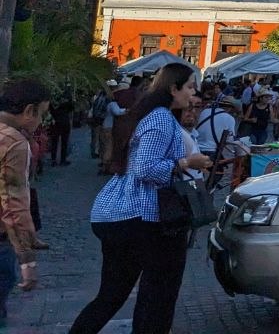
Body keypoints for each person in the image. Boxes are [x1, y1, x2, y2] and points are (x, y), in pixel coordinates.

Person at [69, 63, 212, 334]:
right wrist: (185, 162)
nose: (194, 94)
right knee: (159, 294)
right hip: (144, 217)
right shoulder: (161, 118)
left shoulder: (154, 116)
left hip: (120, 215)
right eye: (190, 87)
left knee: (112, 295)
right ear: (173, 88)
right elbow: (145, 168)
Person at [0, 77, 49, 320]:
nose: (41, 122)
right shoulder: (14, 142)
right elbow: (13, 201)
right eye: (41, 114)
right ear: (29, 110)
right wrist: (27, 261)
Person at [194, 96, 238, 161]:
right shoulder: (230, 118)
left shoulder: (205, 111)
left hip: (195, 148)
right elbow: (230, 140)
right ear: (230, 108)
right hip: (211, 152)